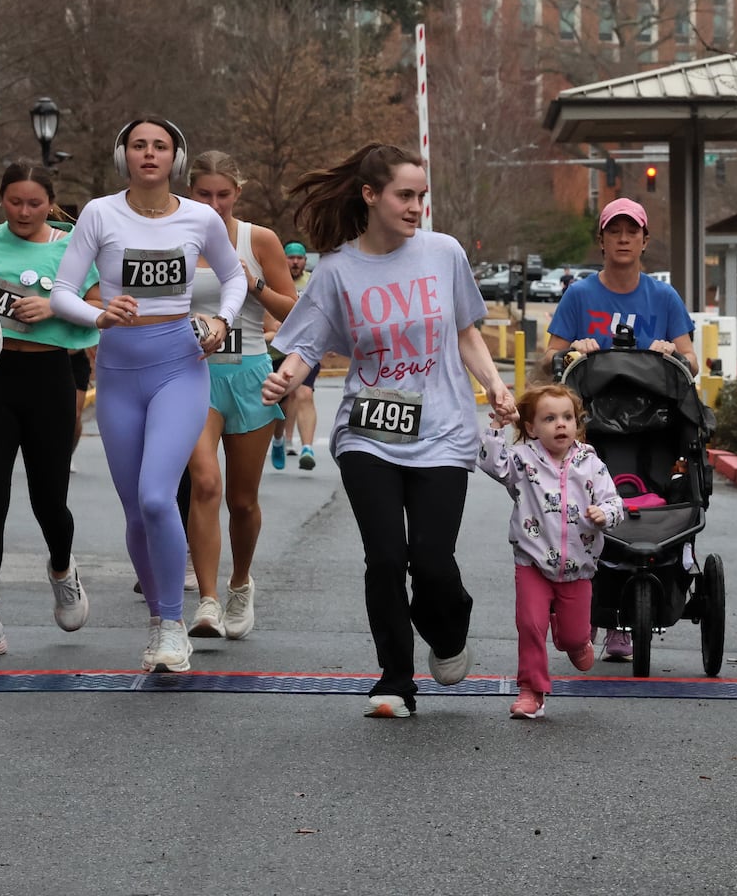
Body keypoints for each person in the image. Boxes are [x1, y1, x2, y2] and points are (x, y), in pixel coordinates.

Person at [263, 143, 517, 719]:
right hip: (368, 431)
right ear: (371, 195)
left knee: (430, 561)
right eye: (405, 195)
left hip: (445, 429)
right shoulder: (338, 269)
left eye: (421, 196)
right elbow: (305, 343)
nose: (415, 207)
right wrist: (285, 378)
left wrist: (494, 388)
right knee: (384, 558)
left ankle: (448, 630)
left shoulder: (444, 253)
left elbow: (465, 331)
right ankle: (396, 679)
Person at [50, 117, 246, 673]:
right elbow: (63, 292)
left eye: (160, 146)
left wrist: (223, 321)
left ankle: (169, 625)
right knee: (136, 511)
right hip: (118, 372)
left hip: (179, 367)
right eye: (139, 145)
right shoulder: (99, 214)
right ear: (124, 157)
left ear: (175, 158)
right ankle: (160, 622)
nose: (150, 154)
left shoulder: (200, 217)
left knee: (159, 497)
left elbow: (235, 279)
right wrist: (98, 314)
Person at [0, 161, 101, 657]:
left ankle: (62, 567)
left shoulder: (74, 248)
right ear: (1, 199)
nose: (23, 211)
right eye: (14, 201)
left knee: (49, 502)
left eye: (34, 203)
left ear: (50, 203)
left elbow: (100, 307)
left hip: (50, 378)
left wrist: (54, 306)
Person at [543, 196, 696, 661]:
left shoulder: (664, 297)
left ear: (645, 240)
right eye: (615, 231)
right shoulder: (580, 296)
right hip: (593, 429)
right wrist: (574, 353)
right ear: (603, 240)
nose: (624, 238)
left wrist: (673, 353)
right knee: (585, 511)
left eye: (632, 231)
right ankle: (591, 607)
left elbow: (692, 362)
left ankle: (625, 622)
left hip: (653, 431)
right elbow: (551, 359)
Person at [182, 150, 298, 640]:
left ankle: (239, 583)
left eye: (222, 195)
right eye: (203, 195)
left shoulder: (260, 239)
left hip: (249, 373)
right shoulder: (175, 238)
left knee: (243, 502)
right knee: (205, 484)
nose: (213, 204)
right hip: (193, 374)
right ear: (190, 193)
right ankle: (206, 601)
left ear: (237, 193)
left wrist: (254, 287)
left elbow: (295, 311)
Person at [476, 384, 624, 719]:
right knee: (530, 624)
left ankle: (573, 640)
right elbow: (492, 464)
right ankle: (531, 691)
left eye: (567, 417)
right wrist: (497, 426)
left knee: (575, 636)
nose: (561, 424)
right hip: (532, 561)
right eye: (549, 418)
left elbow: (614, 501)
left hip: (579, 566)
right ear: (531, 428)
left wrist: (605, 514)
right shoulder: (524, 459)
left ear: (577, 423)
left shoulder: (591, 463)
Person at [266, 242, 320, 470]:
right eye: (291, 258)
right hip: (277, 351)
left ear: (305, 261)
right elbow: (265, 320)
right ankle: (278, 439)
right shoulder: (273, 282)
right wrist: (271, 331)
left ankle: (307, 448)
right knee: (282, 403)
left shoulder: (313, 282)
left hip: (306, 350)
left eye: (299, 257)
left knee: (305, 394)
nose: (295, 261)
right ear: (284, 259)